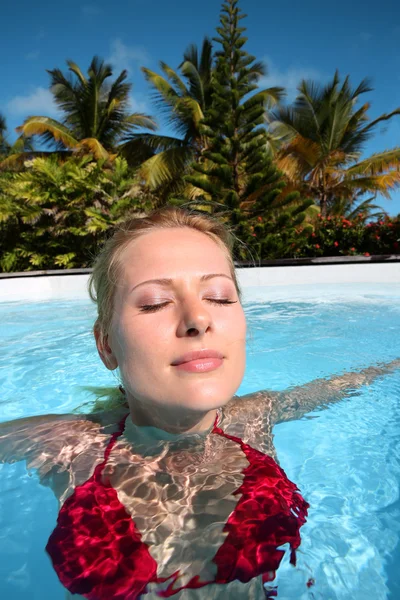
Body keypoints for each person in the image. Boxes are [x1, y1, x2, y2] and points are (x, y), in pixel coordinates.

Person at [0, 207, 399, 600]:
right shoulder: (64, 444)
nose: (199, 318)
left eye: (220, 297)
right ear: (106, 345)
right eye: (155, 302)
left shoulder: (255, 415)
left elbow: (346, 383)